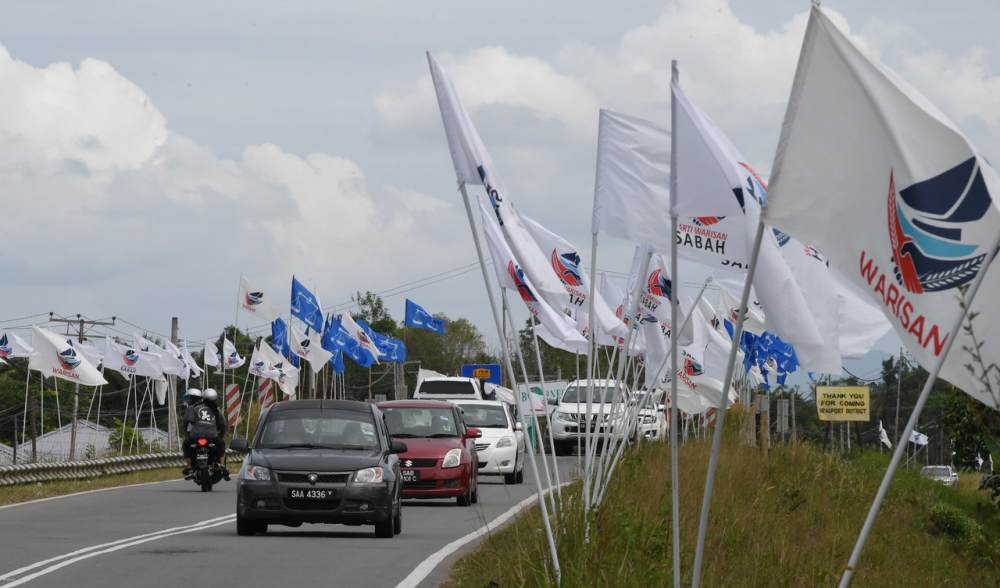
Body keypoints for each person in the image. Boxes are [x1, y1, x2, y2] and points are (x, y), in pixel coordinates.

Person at [184, 388, 229, 480]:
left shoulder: (195, 408)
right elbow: (223, 424)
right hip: (212, 435)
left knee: (186, 444)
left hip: (196, 435)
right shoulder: (216, 409)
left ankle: (188, 465)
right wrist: (220, 435)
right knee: (221, 444)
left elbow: (190, 421)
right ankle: (221, 463)